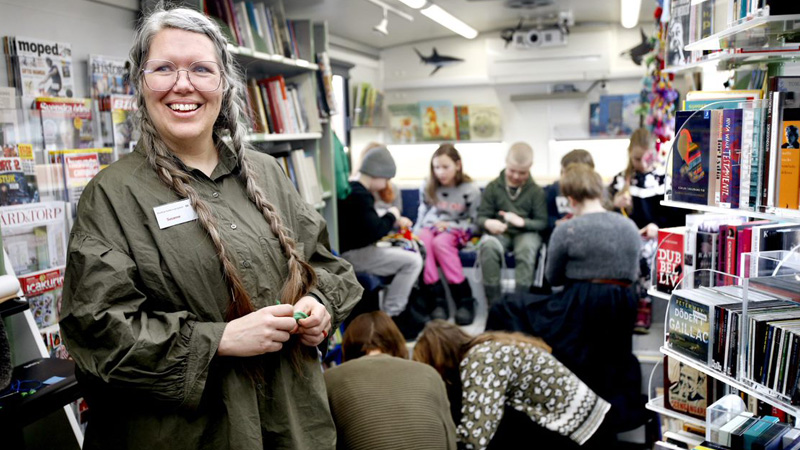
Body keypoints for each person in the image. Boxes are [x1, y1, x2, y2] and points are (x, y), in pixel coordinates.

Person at [60, 8, 362, 449]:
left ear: (223, 84)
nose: (183, 85)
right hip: (189, 434)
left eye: (201, 69)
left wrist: (319, 306)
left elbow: (328, 267)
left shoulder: (266, 172)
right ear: (141, 83)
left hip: (289, 422)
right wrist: (218, 340)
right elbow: (98, 331)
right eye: (164, 69)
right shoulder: (112, 194)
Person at [535, 163, 645, 435]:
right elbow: (632, 273)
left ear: (571, 198)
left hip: (580, 304)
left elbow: (554, 278)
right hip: (622, 304)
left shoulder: (567, 230)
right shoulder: (629, 226)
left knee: (511, 309)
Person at [413, 320, 612, 450]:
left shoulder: (480, 359)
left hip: (579, 431)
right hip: (590, 421)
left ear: (439, 358)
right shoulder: (490, 346)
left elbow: (478, 434)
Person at [324, 311, 456, 450]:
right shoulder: (430, 374)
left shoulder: (330, 379)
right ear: (398, 341)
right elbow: (450, 439)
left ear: (348, 345)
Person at [338, 143, 422, 333]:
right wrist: (392, 214)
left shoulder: (352, 190)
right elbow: (376, 230)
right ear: (377, 175)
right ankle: (391, 316)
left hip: (355, 250)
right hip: (354, 254)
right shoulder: (360, 195)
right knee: (413, 261)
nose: (386, 184)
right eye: (386, 179)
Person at [609, 128, 684, 333]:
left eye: (647, 159)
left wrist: (658, 228)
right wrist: (615, 203)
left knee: (645, 252)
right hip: (626, 235)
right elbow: (603, 214)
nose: (642, 164)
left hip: (657, 237)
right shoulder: (619, 181)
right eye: (636, 159)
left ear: (655, 153)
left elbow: (679, 218)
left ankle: (644, 303)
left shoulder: (664, 181)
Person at [414, 143, 481, 325]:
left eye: (445, 167)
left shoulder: (470, 189)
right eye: (436, 167)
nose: (440, 172)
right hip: (430, 227)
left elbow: (475, 222)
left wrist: (450, 225)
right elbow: (422, 212)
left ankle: (464, 301)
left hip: (456, 229)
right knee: (424, 241)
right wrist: (415, 234)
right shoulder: (428, 186)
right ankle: (437, 300)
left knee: (441, 243)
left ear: (458, 165)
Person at [477, 142, 547, 305]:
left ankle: (519, 305)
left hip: (526, 232)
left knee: (527, 249)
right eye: (512, 171)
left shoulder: (536, 191)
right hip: (500, 231)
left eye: (521, 172)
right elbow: (481, 217)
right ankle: (494, 306)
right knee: (488, 247)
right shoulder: (493, 187)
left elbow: (542, 223)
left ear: (530, 167)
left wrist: (522, 222)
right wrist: (488, 223)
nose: (516, 176)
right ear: (506, 163)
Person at [543, 149, 595, 241]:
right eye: (562, 172)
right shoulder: (554, 189)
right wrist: (555, 223)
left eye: (567, 173)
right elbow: (545, 216)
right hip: (560, 236)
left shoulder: (593, 192)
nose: (563, 176)